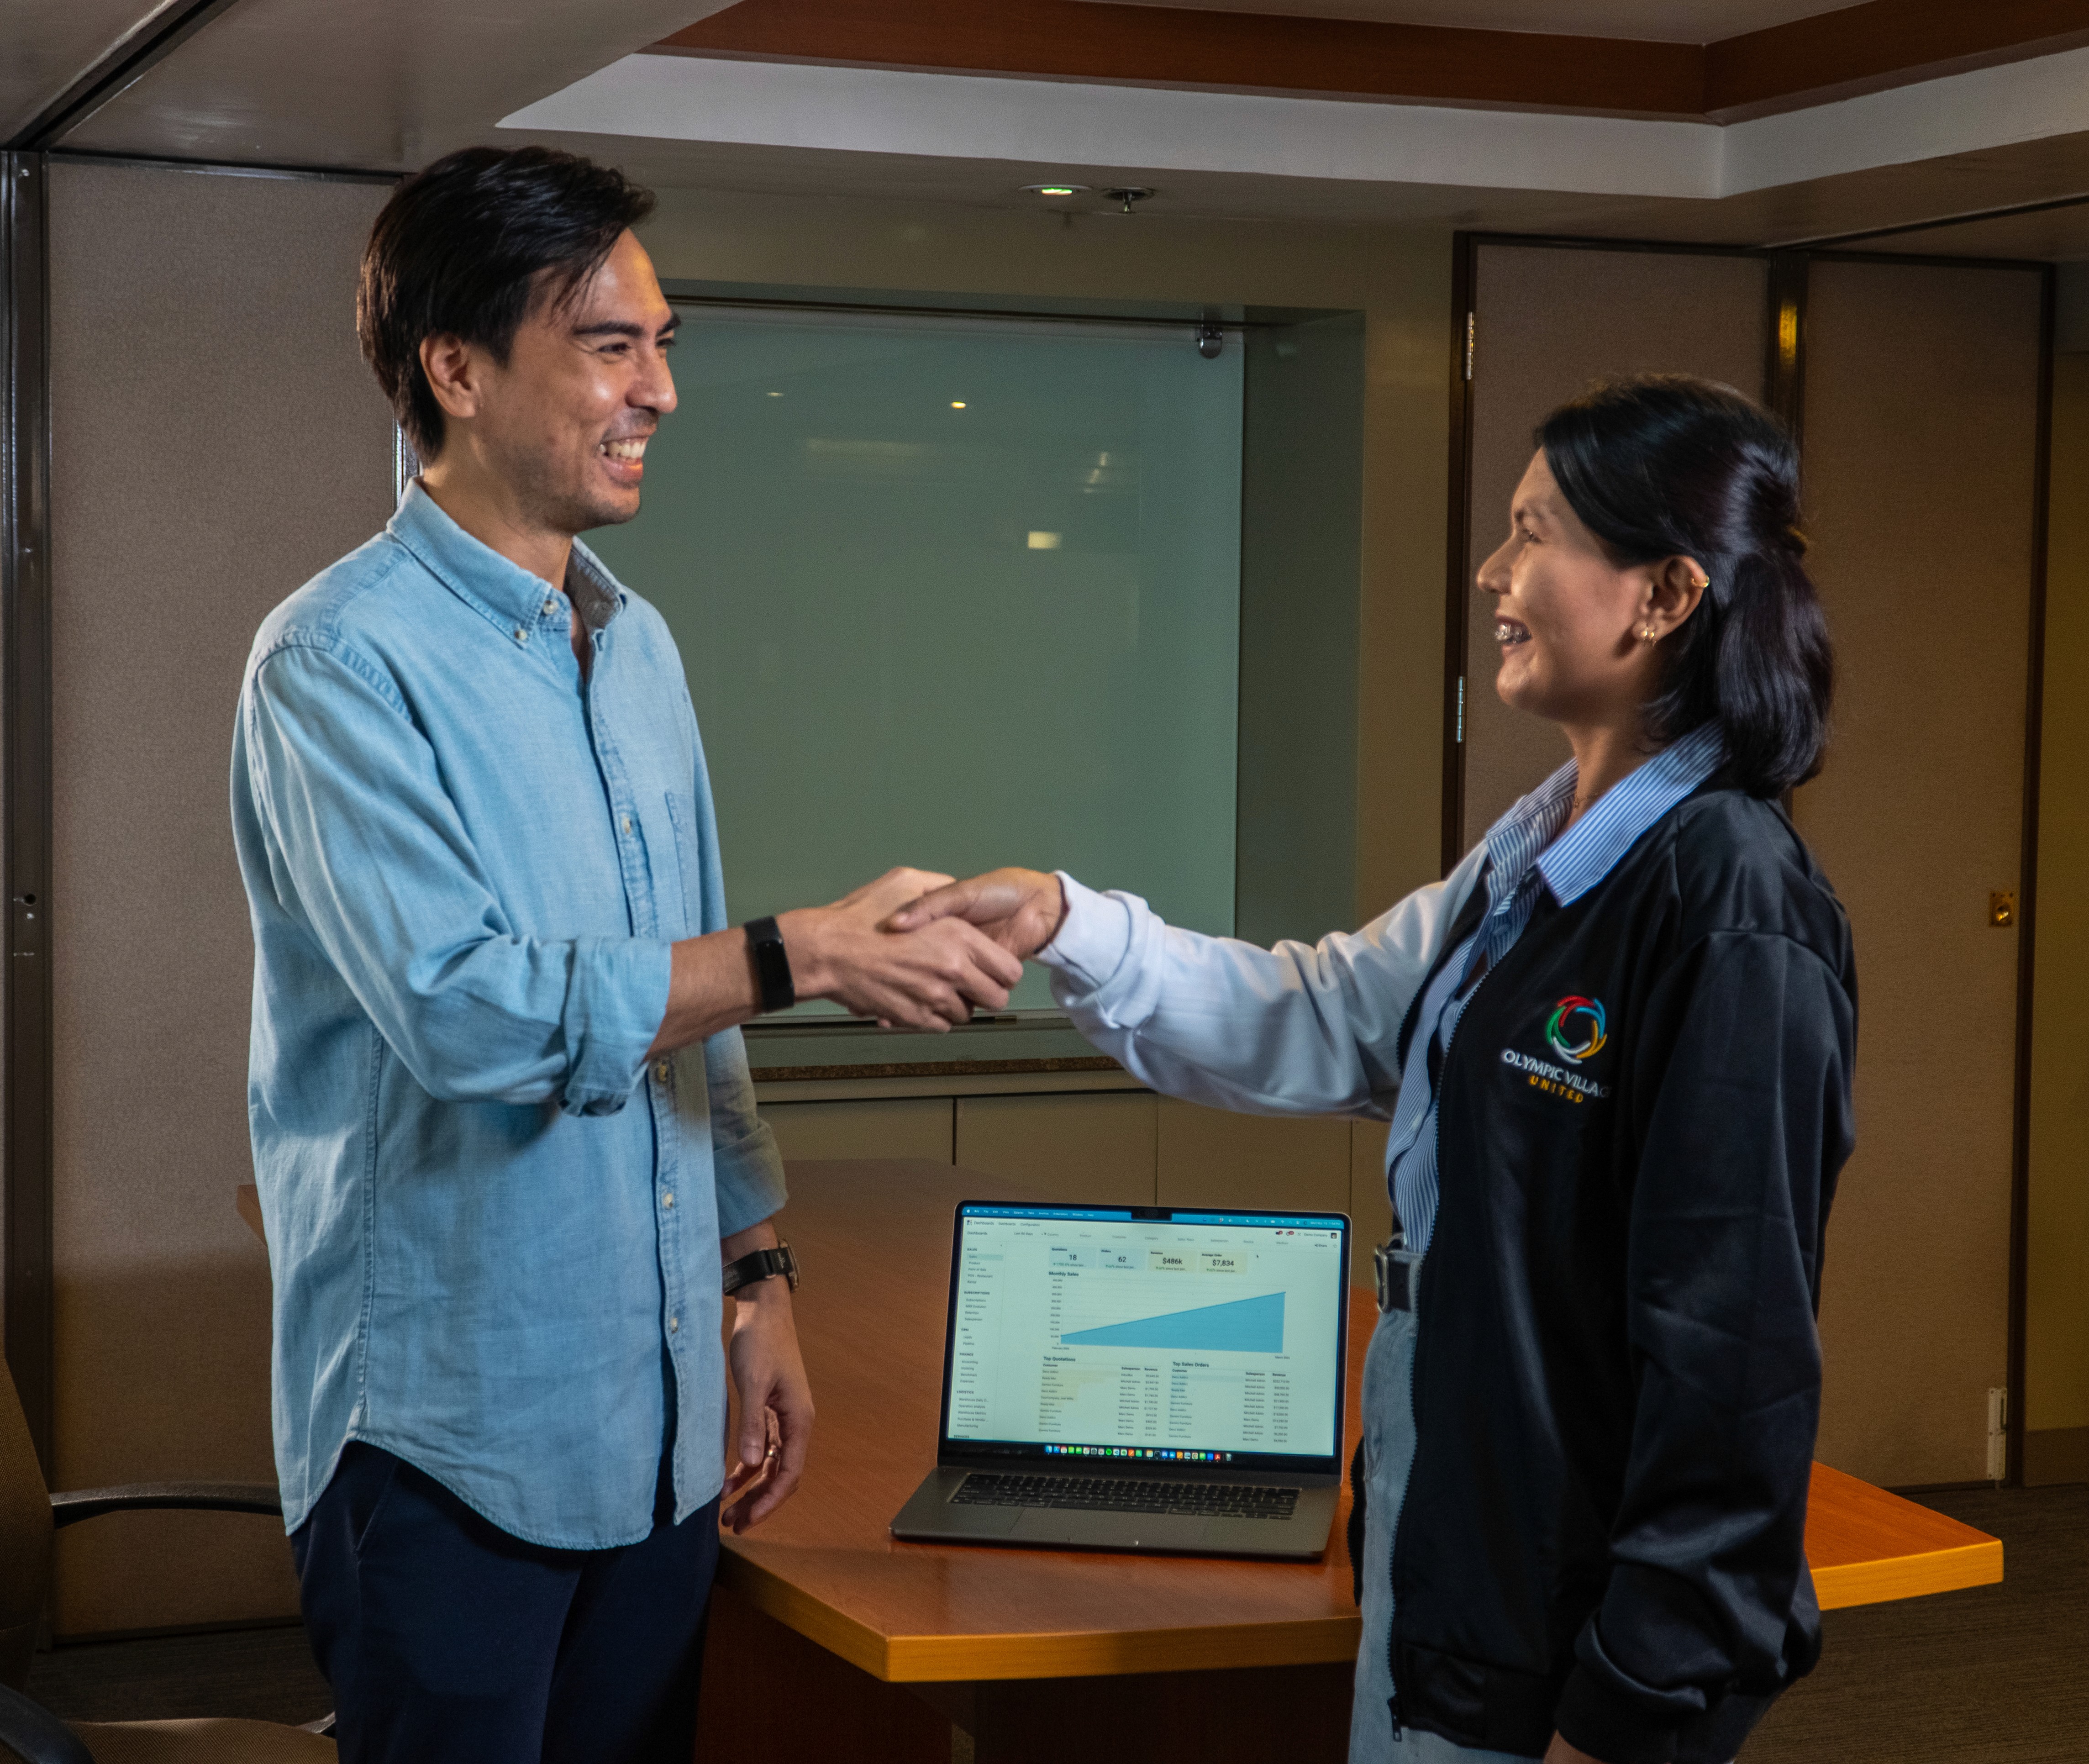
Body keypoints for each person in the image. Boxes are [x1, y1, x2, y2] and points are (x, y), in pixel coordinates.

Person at [895, 375, 1854, 1764]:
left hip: (1567, 1658)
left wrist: (1634, 1708)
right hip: (1454, 1590)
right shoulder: (1539, 855)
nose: (1493, 573)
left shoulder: (1728, 904)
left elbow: (1733, 1363)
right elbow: (1338, 1018)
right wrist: (1068, 918)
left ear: (1662, 598)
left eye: (1535, 535)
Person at [230, 145, 1021, 1763]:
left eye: (666, 343)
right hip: (449, 1444)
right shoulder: (334, 663)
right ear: (454, 369)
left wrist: (759, 1275)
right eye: (611, 344)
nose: (660, 388)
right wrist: (800, 953)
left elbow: (691, 1016)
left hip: (654, 1427)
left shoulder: (635, 643)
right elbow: (471, 1017)